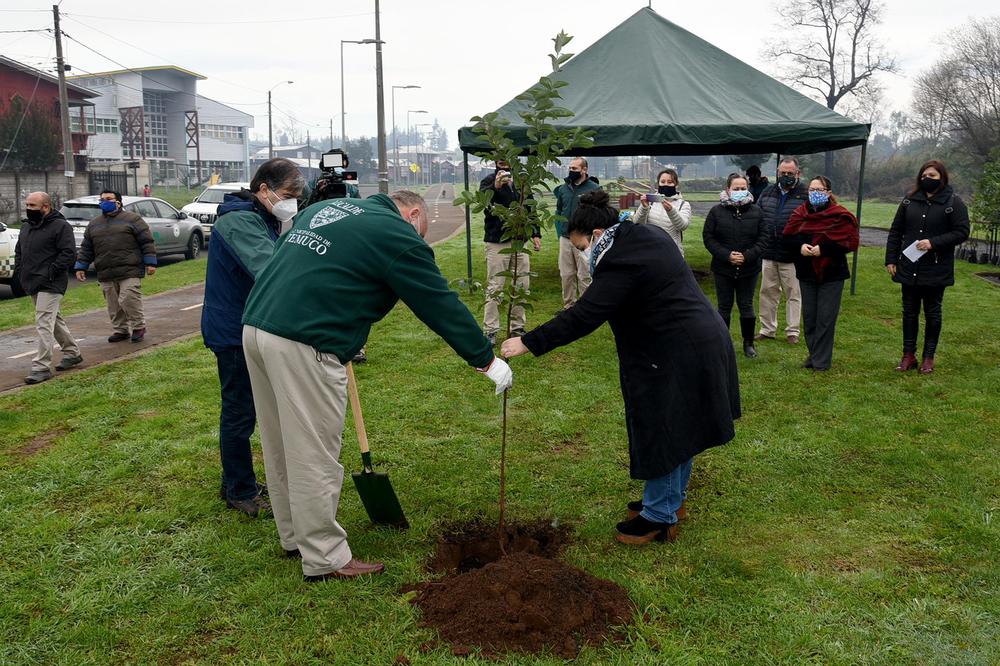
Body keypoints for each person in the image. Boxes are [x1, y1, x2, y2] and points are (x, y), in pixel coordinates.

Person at [241, 190, 512, 580]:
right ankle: (324, 556)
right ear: (414, 213)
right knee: (314, 452)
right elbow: (437, 301)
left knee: (281, 443)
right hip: (305, 341)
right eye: (424, 229)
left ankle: (294, 538)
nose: (421, 238)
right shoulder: (395, 233)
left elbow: (304, 263)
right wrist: (483, 358)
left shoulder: (325, 207)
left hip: (257, 327)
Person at [501, 191, 740, 545]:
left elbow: (584, 315)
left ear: (597, 235)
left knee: (666, 427)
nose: (583, 256)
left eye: (581, 247)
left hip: (676, 350)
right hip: (698, 340)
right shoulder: (642, 236)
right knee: (684, 422)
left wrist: (528, 341)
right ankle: (670, 501)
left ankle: (659, 516)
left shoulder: (621, 261)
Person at [201, 158, 305, 518]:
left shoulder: (261, 218)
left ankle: (235, 479)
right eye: (288, 195)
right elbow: (270, 269)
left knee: (247, 409)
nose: (292, 202)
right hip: (233, 332)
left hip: (247, 325)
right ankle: (239, 489)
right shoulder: (240, 221)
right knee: (239, 412)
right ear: (264, 190)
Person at [885, 160, 969, 374]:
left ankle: (928, 357)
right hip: (909, 265)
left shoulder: (953, 202)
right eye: (924, 175)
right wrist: (891, 259)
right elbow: (896, 231)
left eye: (932, 176)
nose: (927, 179)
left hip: (936, 267)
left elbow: (961, 232)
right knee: (909, 312)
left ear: (942, 177)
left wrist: (934, 243)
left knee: (932, 312)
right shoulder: (909, 200)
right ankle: (908, 355)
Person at [782, 176, 859, 371]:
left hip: (832, 273)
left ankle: (821, 362)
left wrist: (823, 249)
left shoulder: (840, 215)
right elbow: (788, 238)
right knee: (809, 317)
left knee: (825, 318)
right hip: (807, 272)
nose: (815, 193)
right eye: (812, 189)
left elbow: (849, 242)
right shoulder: (799, 214)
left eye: (819, 190)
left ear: (828, 193)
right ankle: (814, 355)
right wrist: (800, 247)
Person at [14, 192, 83, 384]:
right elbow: (20, 251)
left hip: (51, 283)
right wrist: (20, 271)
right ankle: (72, 352)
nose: (28, 209)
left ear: (46, 207)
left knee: (43, 321)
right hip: (32, 281)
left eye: (33, 206)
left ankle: (41, 366)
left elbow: (68, 253)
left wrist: (51, 272)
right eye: (27, 205)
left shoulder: (61, 226)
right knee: (54, 319)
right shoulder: (26, 227)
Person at [74, 190, 157, 343]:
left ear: (118, 201)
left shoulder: (133, 219)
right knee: (113, 304)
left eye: (108, 199)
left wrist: (150, 262)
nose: (104, 201)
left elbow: (146, 241)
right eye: (102, 199)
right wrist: (81, 266)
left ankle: (138, 326)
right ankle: (121, 330)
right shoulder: (94, 224)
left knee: (128, 298)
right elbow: (87, 248)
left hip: (129, 268)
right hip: (105, 270)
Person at [702, 174, 768, 358]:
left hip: (749, 268)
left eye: (743, 188)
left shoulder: (757, 212)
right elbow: (709, 238)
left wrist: (747, 256)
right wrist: (726, 255)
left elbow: (763, 239)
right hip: (723, 268)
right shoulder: (716, 212)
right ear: (728, 189)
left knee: (746, 305)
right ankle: (723, 344)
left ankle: (749, 344)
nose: (740, 191)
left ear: (748, 188)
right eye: (736, 188)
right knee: (724, 306)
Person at [481, 160, 541, 345]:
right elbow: (485, 204)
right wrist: (496, 187)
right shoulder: (488, 181)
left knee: (522, 285)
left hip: (519, 242)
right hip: (498, 242)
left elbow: (531, 209)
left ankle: (517, 327)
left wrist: (536, 233)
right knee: (495, 286)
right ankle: (490, 330)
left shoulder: (523, 183)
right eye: (500, 160)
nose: (504, 164)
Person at [756, 157, 807, 343]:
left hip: (792, 254)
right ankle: (767, 329)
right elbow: (758, 215)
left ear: (797, 174)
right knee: (768, 292)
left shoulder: (806, 193)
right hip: (769, 251)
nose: (786, 176)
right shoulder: (768, 191)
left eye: (790, 173)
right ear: (778, 172)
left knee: (793, 294)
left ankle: (792, 331)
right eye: (783, 173)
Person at [553, 157, 601, 309]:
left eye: (575, 169)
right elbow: (559, 209)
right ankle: (569, 307)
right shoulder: (563, 189)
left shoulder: (594, 189)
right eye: (570, 168)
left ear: (584, 170)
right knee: (566, 274)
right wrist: (560, 229)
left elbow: (600, 213)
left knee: (584, 275)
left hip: (584, 238)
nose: (571, 171)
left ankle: (586, 308)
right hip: (566, 237)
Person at [635, 168, 692, 256]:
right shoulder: (650, 201)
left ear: (676, 184)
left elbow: (682, 226)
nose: (666, 184)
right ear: (658, 184)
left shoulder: (683, 204)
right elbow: (637, 224)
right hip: (650, 251)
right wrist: (644, 207)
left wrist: (671, 211)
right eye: (663, 181)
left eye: (669, 182)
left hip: (673, 253)